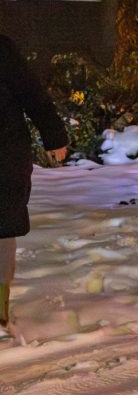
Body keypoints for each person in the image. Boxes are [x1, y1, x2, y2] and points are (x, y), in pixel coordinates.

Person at [0, 34, 69, 329]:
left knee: (2, 227)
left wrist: (54, 135)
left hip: (4, 154)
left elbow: (31, 93)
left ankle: (0, 308)